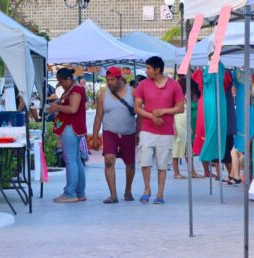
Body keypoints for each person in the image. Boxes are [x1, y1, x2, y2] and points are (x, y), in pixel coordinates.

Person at [134, 56, 184, 204]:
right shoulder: (143, 85)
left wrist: (163, 111)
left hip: (166, 131)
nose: (146, 71)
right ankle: (147, 189)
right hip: (147, 129)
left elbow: (180, 107)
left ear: (157, 69)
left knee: (162, 164)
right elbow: (137, 107)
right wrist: (151, 116)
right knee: (145, 160)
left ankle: (160, 193)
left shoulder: (174, 85)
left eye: (149, 68)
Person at [92, 66, 137, 203]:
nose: (109, 83)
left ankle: (128, 190)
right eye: (108, 80)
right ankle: (113, 194)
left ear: (120, 79)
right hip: (109, 133)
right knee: (108, 161)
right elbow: (98, 116)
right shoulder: (103, 96)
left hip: (128, 133)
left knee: (130, 164)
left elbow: (140, 113)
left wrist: (140, 132)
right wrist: (94, 138)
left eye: (112, 80)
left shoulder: (133, 92)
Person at [49, 68, 87, 203]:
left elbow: (73, 109)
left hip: (71, 128)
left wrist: (57, 108)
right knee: (76, 160)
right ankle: (79, 192)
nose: (60, 85)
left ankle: (70, 193)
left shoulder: (76, 90)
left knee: (71, 160)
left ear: (69, 79)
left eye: (61, 82)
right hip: (73, 128)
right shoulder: (72, 89)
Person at [172, 76, 202, 179]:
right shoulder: (175, 96)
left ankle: (192, 171)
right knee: (176, 149)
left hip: (185, 125)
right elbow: (171, 113)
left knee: (188, 149)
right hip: (177, 124)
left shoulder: (184, 96)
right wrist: (173, 128)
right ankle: (176, 173)